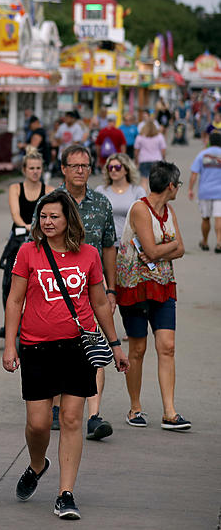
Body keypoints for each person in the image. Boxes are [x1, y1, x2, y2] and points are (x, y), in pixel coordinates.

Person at [3, 190, 128, 521]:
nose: (47, 222)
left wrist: (115, 345)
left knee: (72, 419)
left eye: (54, 216)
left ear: (68, 219)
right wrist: (11, 344)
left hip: (76, 347)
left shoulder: (88, 255)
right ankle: (36, 464)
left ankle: (65, 493)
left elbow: (100, 302)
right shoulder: (28, 252)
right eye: (43, 217)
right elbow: (15, 300)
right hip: (36, 347)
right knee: (38, 423)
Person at [51, 144, 118, 440]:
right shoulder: (50, 203)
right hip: (55, 288)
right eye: (75, 165)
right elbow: (36, 247)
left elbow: (109, 247)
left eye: (86, 166)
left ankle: (94, 415)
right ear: (63, 168)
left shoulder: (102, 203)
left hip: (92, 289)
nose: (81, 171)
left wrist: (111, 288)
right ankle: (55, 406)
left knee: (94, 346)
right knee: (56, 345)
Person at [116, 162, 189, 431]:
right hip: (135, 286)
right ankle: (135, 408)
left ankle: (170, 412)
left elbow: (179, 249)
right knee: (137, 349)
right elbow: (152, 249)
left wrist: (163, 249)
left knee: (167, 346)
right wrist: (167, 248)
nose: (177, 189)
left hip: (163, 284)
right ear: (171, 186)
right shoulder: (139, 208)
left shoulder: (169, 212)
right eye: (177, 184)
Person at [1, 149, 53, 308]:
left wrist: (38, 227)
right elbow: (15, 214)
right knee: (10, 280)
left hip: (42, 237)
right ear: (24, 170)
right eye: (31, 168)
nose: (35, 172)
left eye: (38, 168)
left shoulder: (49, 191)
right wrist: (27, 226)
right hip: (20, 235)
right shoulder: (15, 188)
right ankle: (12, 316)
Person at [95, 153, 146, 242]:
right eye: (110, 168)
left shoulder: (138, 191)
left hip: (129, 243)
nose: (113, 170)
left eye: (117, 167)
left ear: (126, 170)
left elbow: (144, 220)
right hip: (106, 243)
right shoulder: (100, 191)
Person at [188, 131, 221, 252]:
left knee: (205, 218)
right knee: (219, 218)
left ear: (210, 141)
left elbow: (194, 173)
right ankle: (219, 242)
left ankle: (205, 242)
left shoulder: (202, 154)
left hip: (205, 191)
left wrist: (190, 189)